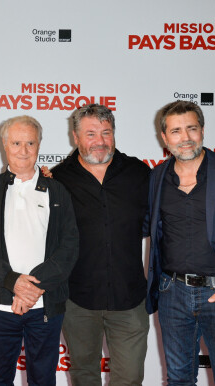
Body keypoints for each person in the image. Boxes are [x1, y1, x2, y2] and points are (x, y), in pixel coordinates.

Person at [0, 115, 79, 386]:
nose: (23, 150)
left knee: (43, 378)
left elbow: (69, 246)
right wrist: (14, 283)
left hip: (45, 303)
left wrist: (32, 287)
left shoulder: (57, 191)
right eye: (17, 143)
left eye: (30, 143)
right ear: (5, 145)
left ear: (39, 145)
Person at [146, 101, 215, 385]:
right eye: (175, 131)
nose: (185, 137)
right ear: (164, 138)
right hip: (172, 293)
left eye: (191, 128)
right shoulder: (157, 177)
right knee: (178, 378)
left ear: (202, 130)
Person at [51, 104, 150, 386]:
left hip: (129, 298)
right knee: (84, 376)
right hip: (78, 300)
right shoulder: (58, 179)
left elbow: (153, 223)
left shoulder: (138, 173)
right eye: (91, 133)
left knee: (130, 378)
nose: (100, 141)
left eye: (106, 133)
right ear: (75, 137)